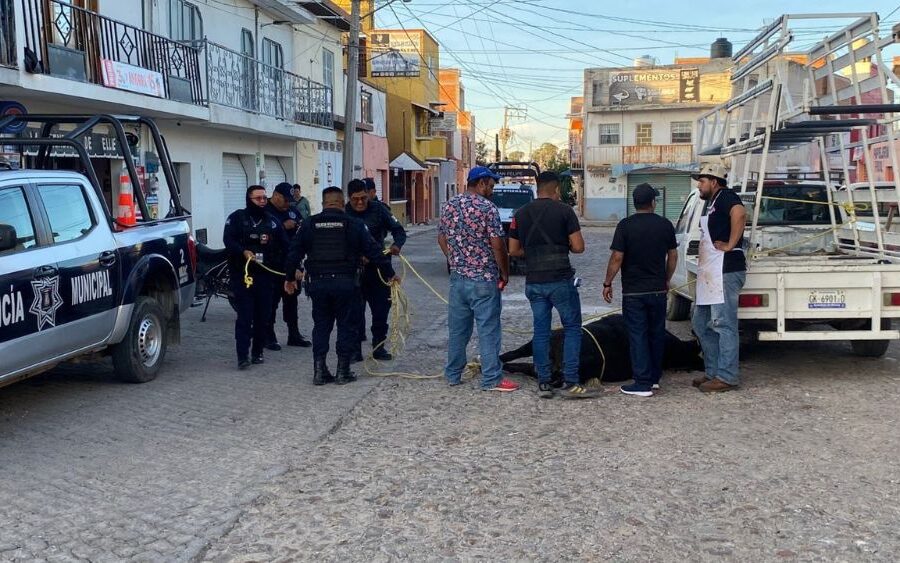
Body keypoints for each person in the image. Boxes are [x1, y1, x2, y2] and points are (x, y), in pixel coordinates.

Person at [283, 186, 385, 385]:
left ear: (323, 204)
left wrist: (289, 278)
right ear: (342, 203)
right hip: (346, 284)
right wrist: (389, 275)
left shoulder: (309, 224)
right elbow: (374, 252)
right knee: (346, 327)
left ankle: (319, 371)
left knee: (321, 326)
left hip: (318, 285)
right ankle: (343, 371)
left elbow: (293, 253)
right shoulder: (354, 224)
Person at [507, 171, 595, 399]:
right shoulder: (565, 211)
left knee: (541, 331)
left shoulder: (521, 213)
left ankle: (544, 382)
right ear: (556, 190)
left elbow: (513, 250)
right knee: (573, 328)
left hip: (534, 282)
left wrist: (535, 252)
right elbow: (578, 247)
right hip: (560, 281)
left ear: (538, 188)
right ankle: (571, 381)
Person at [438, 166, 519, 392]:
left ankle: (453, 374)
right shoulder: (487, 208)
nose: (492, 191)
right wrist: (504, 272)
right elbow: (497, 244)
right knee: (488, 329)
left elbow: (442, 238)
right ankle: (492, 378)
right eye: (491, 186)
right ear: (481, 183)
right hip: (483, 279)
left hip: (458, 279)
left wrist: (455, 259)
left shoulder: (449, 206)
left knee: (458, 330)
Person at [602, 183, 678, 397]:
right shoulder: (665, 225)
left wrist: (608, 282)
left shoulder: (625, 226)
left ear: (634, 203)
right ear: (653, 202)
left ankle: (642, 383)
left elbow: (617, 257)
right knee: (656, 333)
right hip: (657, 290)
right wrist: (666, 279)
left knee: (637, 335)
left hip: (634, 292)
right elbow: (673, 256)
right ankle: (653, 378)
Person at [690, 162, 747, 393]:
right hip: (711, 273)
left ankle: (727, 376)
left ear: (714, 181)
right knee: (700, 323)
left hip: (725, 270)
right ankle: (712, 371)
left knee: (723, 324)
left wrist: (731, 243)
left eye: (702, 181)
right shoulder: (712, 203)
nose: (699, 185)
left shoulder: (725, 196)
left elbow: (740, 213)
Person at [223, 185, 289, 369]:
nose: (262, 201)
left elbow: (286, 246)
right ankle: (242, 356)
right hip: (242, 276)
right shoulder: (236, 218)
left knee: (263, 317)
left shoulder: (272, 222)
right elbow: (228, 240)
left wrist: (293, 267)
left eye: (264, 198)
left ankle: (257, 352)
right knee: (245, 316)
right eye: (258, 198)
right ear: (248, 199)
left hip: (266, 277)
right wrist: (242, 251)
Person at [346, 179, 406, 361]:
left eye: (363, 198)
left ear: (368, 194)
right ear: (349, 198)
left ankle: (378, 346)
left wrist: (397, 244)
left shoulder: (379, 209)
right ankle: (355, 349)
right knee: (354, 312)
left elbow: (399, 230)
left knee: (380, 311)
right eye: (355, 199)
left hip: (379, 269)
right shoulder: (343, 213)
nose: (360, 203)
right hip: (354, 271)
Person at [265, 182, 312, 349]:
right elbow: (263, 236)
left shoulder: (292, 210)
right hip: (272, 265)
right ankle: (268, 335)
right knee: (271, 302)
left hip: (291, 263)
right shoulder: (265, 212)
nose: (288, 204)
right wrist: (283, 227)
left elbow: (304, 229)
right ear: (276, 196)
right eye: (285, 200)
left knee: (291, 300)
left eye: (290, 201)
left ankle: (294, 334)